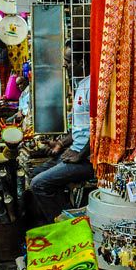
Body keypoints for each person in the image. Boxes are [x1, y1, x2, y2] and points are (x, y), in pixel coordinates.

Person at [29, 48, 93, 224]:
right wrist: (61, 143)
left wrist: (81, 154)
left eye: (69, 61)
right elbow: (81, 129)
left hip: (88, 159)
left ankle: (66, 228)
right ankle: (61, 216)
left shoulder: (93, 87)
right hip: (75, 153)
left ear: (83, 63)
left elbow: (101, 130)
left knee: (39, 184)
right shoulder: (81, 85)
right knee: (33, 174)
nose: (65, 65)